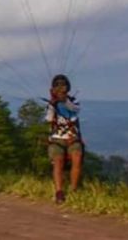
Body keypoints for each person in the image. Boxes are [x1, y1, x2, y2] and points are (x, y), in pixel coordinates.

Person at [44, 74, 83, 204]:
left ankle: (74, 189)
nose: (61, 89)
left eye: (63, 86)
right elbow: (49, 119)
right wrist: (52, 103)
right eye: (58, 86)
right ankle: (59, 191)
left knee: (77, 158)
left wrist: (64, 100)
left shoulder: (74, 101)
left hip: (72, 137)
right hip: (57, 138)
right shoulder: (52, 104)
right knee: (58, 161)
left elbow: (75, 109)